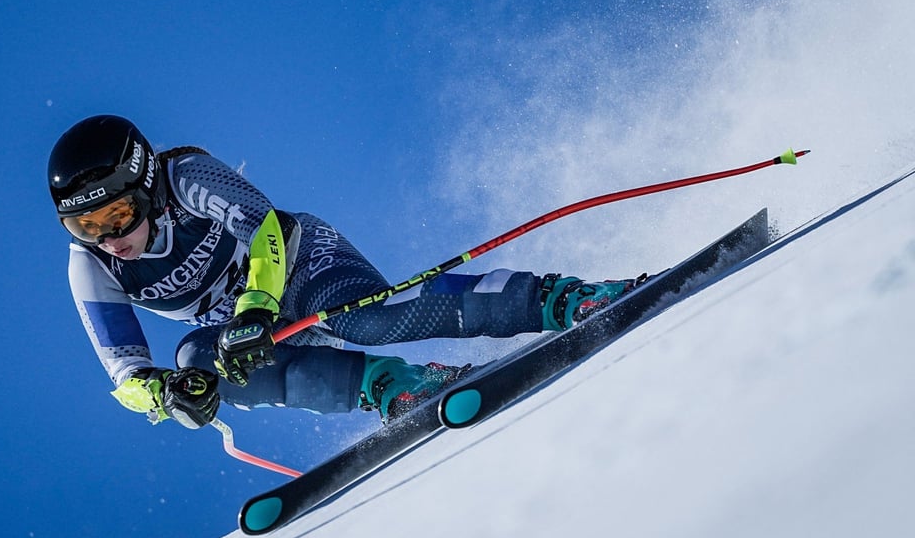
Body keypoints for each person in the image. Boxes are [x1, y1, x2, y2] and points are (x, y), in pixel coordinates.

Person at [50, 115, 642, 430]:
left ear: (144, 186)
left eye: (116, 214)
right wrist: (166, 394)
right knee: (195, 362)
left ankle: (563, 300)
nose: (109, 238)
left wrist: (256, 305)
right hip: (250, 327)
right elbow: (124, 372)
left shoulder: (187, 178)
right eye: (86, 227)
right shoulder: (93, 267)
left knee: (368, 321)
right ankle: (389, 384)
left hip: (301, 264)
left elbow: (268, 230)